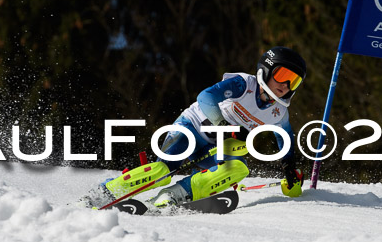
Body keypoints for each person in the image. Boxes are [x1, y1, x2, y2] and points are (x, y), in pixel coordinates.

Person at [102, 46, 307, 208]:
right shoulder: (244, 84)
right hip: (192, 128)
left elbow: (285, 138)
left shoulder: (279, 113)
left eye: (294, 82)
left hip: (215, 148)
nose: (286, 85)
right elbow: (205, 97)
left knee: (238, 168)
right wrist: (223, 126)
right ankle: (109, 190)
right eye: (283, 76)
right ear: (266, 70)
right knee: (162, 171)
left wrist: (289, 168)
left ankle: (173, 195)